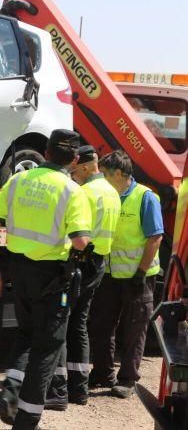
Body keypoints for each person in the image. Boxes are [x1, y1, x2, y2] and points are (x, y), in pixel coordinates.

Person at [0, 129, 91, 429]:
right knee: (48, 346)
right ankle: (27, 420)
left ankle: (10, 392)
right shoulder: (73, 191)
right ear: (74, 159)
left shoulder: (19, 180)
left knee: (26, 334)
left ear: (45, 153)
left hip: (18, 270)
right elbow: (81, 241)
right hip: (53, 278)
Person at [45, 145, 121, 409]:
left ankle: (58, 390)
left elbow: (73, 230)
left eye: (76, 170)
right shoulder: (112, 192)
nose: (73, 174)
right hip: (97, 265)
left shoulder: (85, 192)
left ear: (87, 166)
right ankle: (79, 389)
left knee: (61, 323)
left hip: (79, 264)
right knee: (79, 324)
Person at [88, 150, 164, 398]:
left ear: (119, 174)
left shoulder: (145, 197)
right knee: (101, 326)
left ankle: (128, 380)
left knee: (134, 330)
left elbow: (155, 237)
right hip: (109, 274)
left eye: (106, 174)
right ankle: (102, 373)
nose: (102, 177)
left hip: (137, 277)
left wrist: (140, 273)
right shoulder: (109, 195)